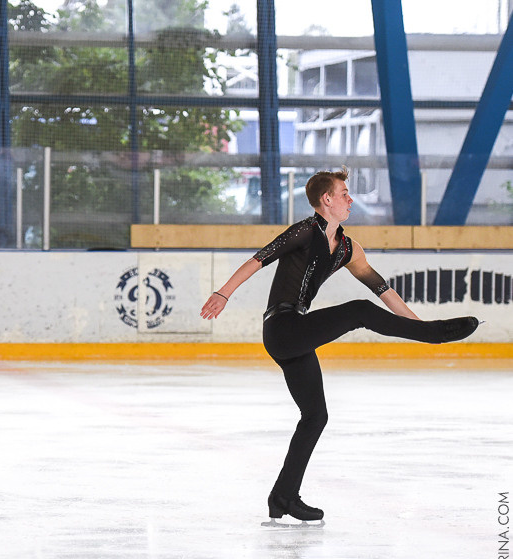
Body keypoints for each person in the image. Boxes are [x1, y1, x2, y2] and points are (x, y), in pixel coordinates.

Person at [200, 167, 479, 525]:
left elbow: (383, 290)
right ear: (325, 200)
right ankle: (433, 334)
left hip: (299, 332)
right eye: (344, 193)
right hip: (282, 327)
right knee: (359, 312)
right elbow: (258, 259)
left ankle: (283, 496)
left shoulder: (348, 247)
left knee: (316, 416)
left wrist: (418, 325)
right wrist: (223, 293)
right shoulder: (304, 231)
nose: (350, 199)